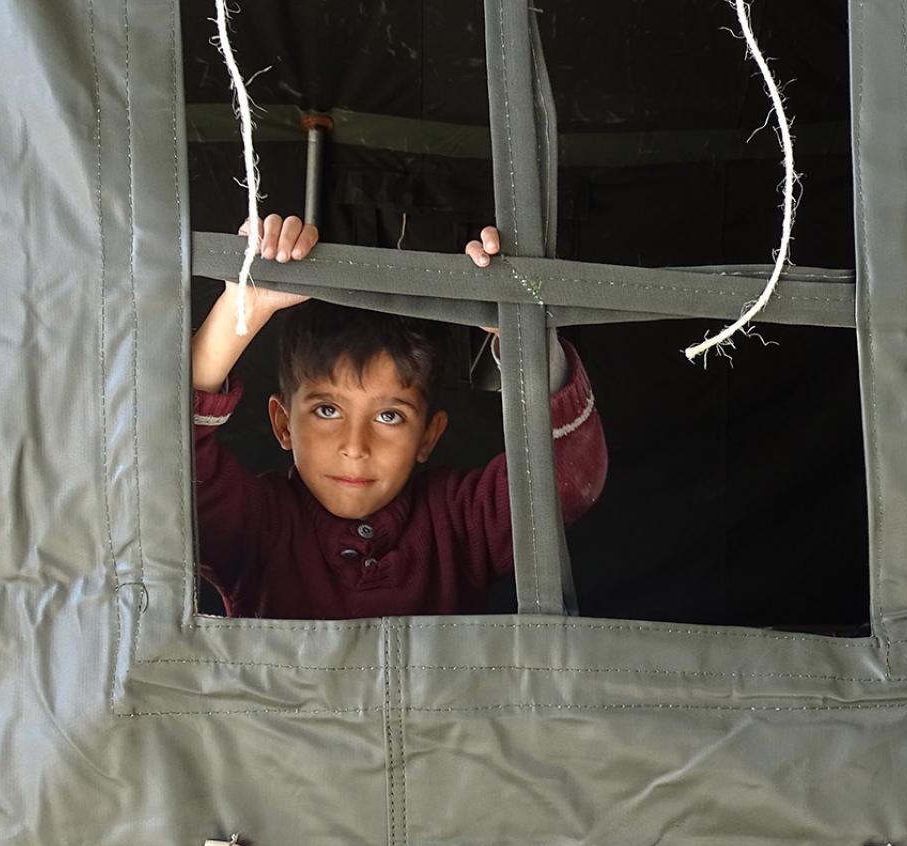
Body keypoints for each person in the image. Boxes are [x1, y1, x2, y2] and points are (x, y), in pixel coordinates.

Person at [190, 215, 607, 618]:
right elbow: (162, 463)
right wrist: (242, 307)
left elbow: (568, 473)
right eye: (328, 410)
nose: (355, 447)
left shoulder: (460, 520)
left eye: (389, 416)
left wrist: (520, 329)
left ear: (428, 435)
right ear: (283, 423)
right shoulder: (256, 522)